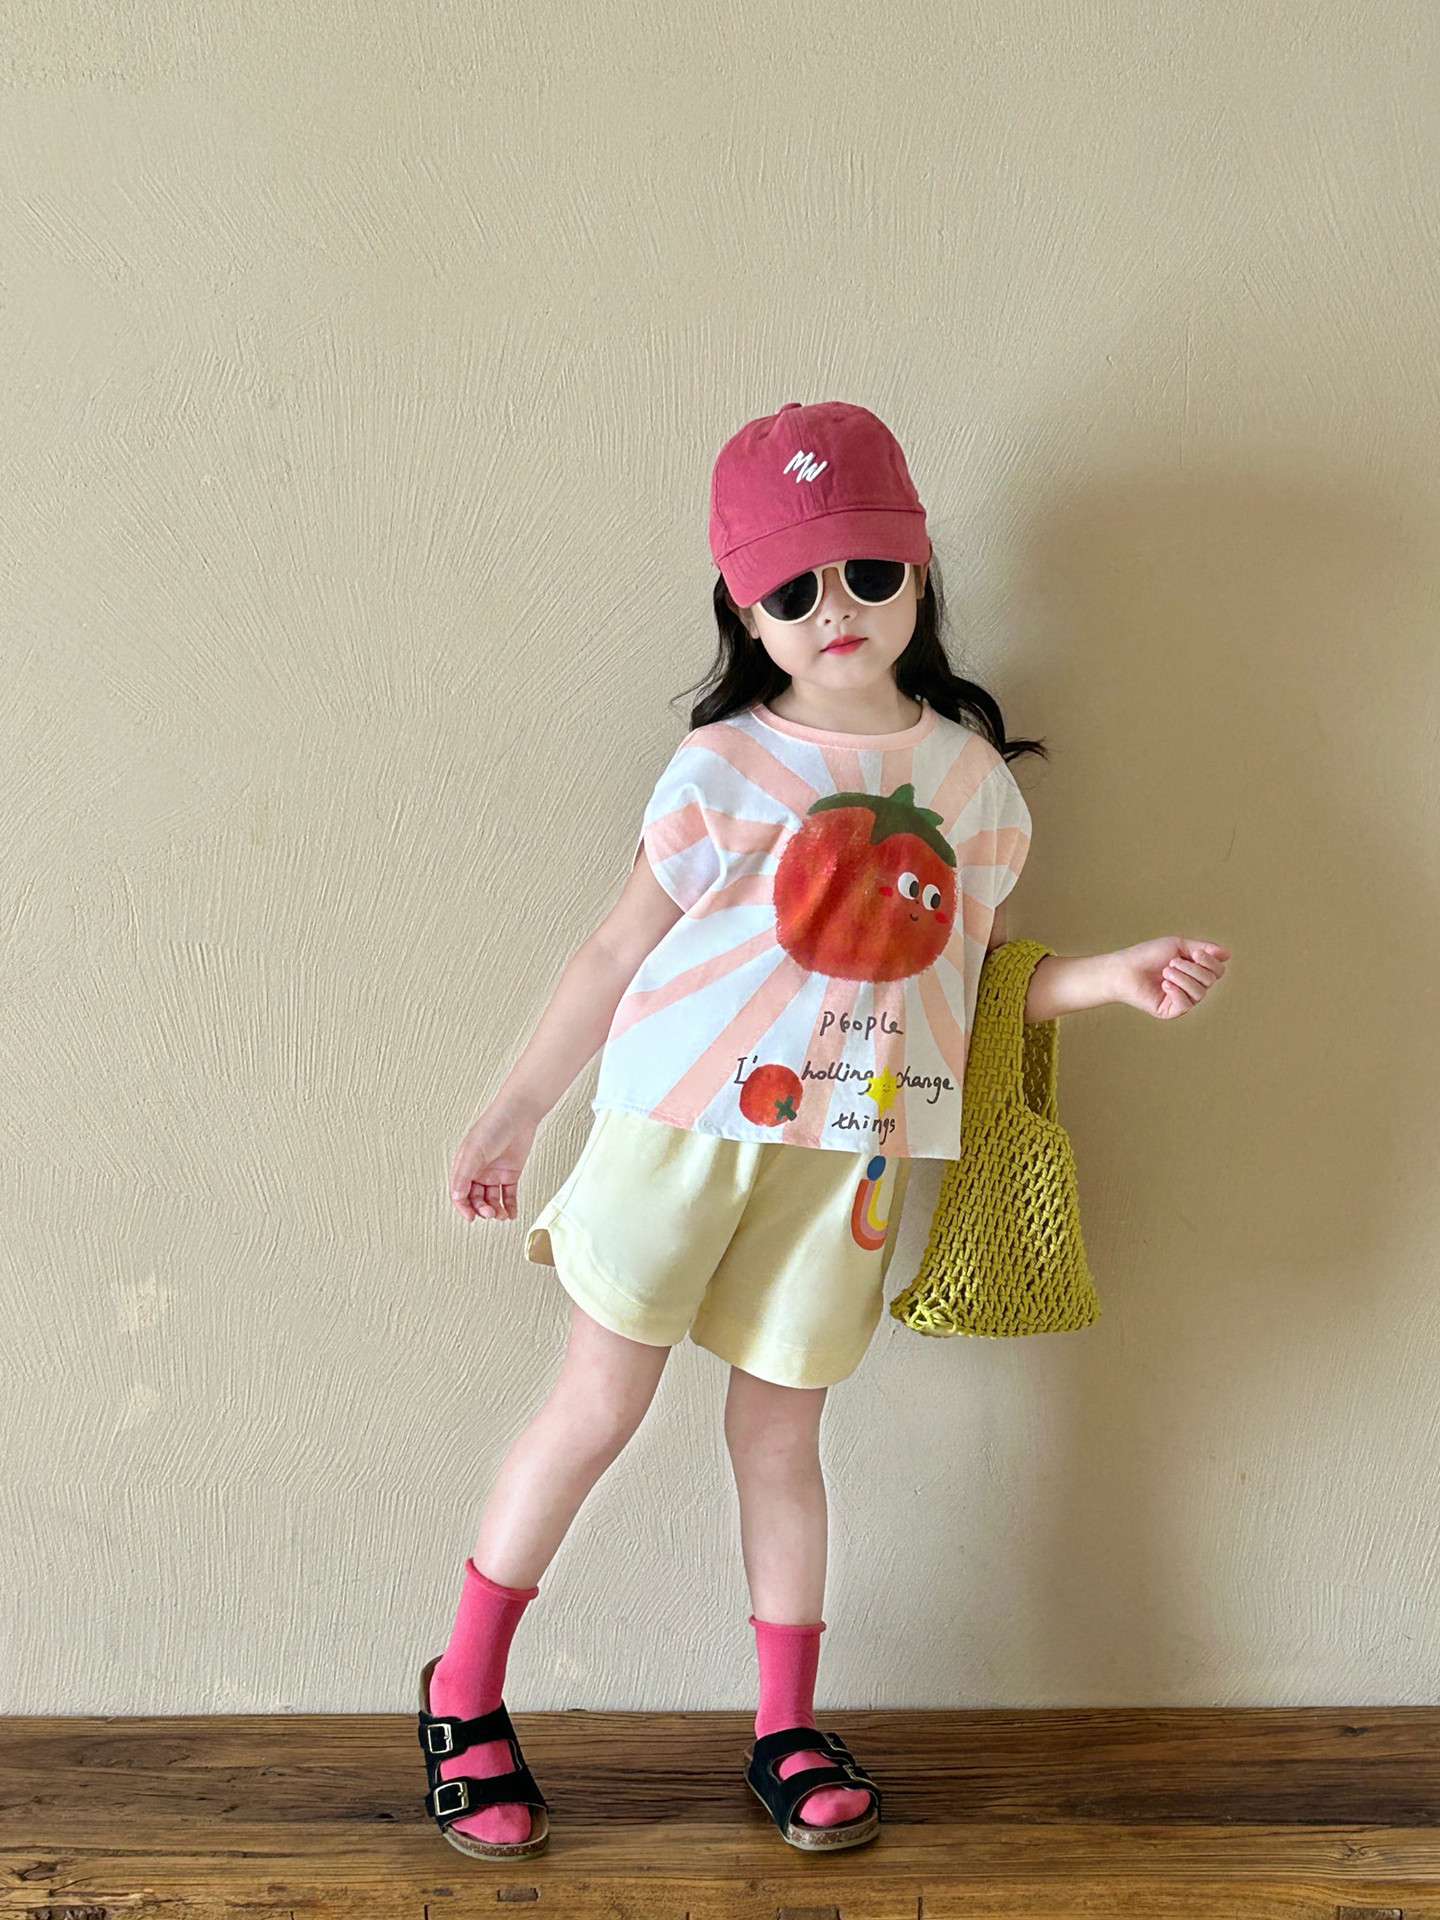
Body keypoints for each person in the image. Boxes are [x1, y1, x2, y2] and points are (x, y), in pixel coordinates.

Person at [416, 400, 1231, 1860]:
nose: (833, 609)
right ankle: (462, 1688)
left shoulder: (972, 785)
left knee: (782, 1436)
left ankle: (785, 1727)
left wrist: (1111, 978)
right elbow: (617, 951)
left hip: (853, 1153)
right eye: (793, 588)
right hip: (674, 1132)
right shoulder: (723, 763)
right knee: (597, 1407)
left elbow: (980, 980)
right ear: (748, 610)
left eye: (864, 571)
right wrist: (512, 1115)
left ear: (917, 571)